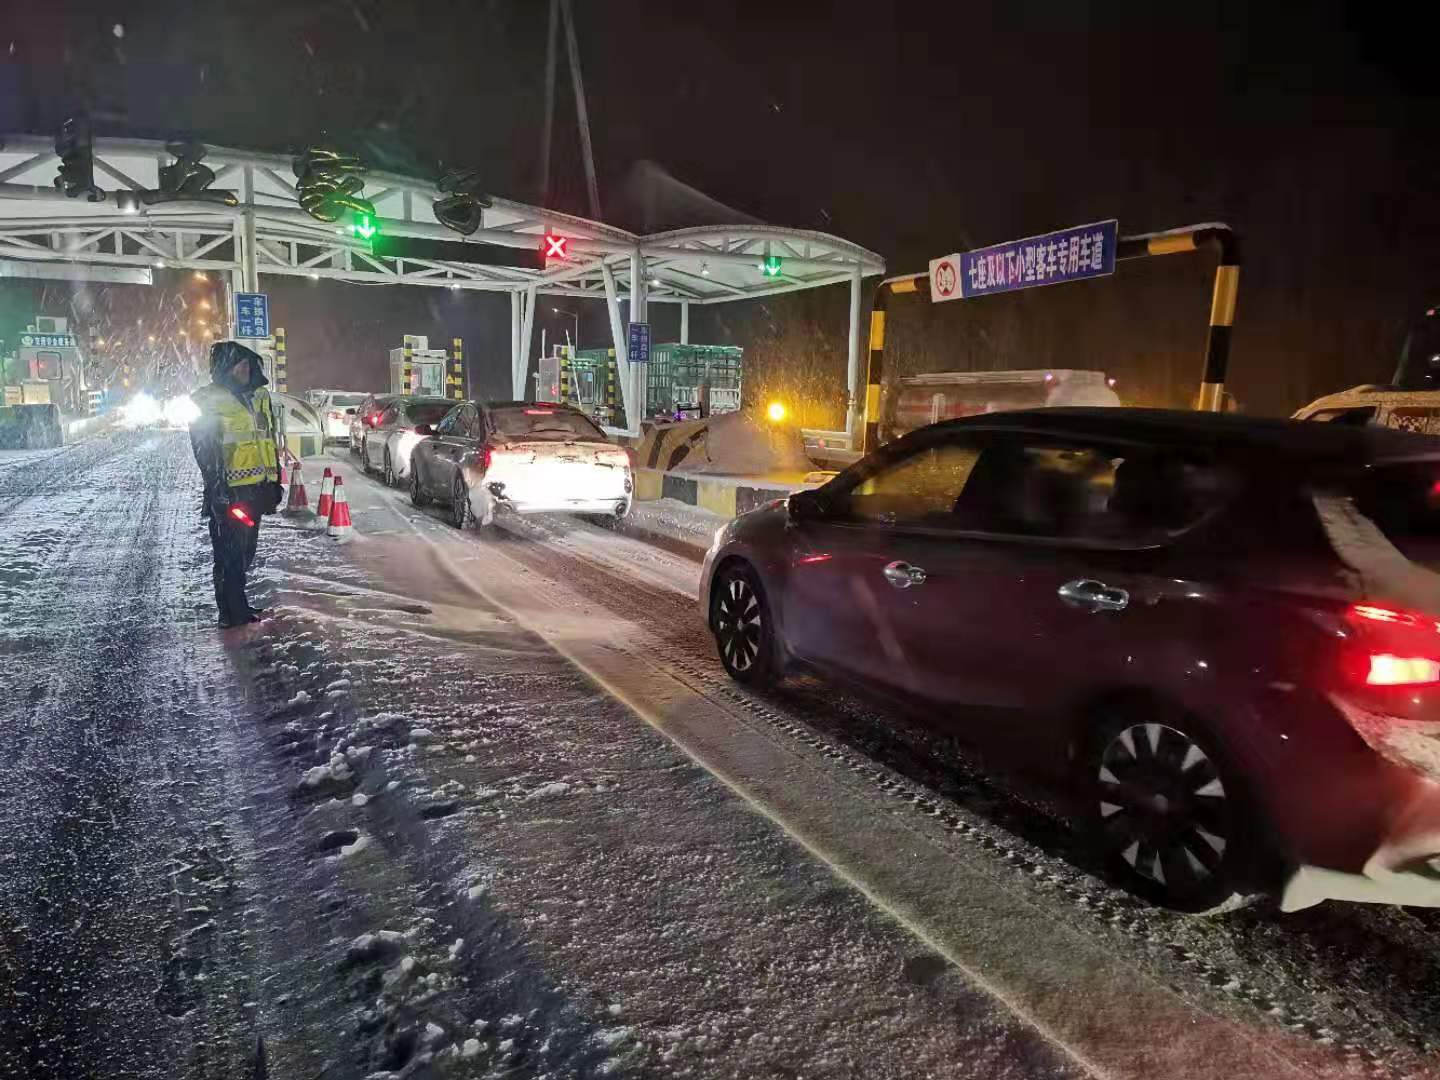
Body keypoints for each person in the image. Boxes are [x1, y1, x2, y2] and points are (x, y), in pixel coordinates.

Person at [189, 340, 283, 629]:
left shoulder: (259, 397)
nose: (245, 370)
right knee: (229, 554)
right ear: (225, 369)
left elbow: (268, 441)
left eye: (247, 364)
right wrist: (217, 492)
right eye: (239, 365)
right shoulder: (209, 401)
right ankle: (230, 613)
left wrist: (274, 480)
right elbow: (205, 451)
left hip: (256, 490)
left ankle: (237, 604)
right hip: (230, 492)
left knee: (246, 551)